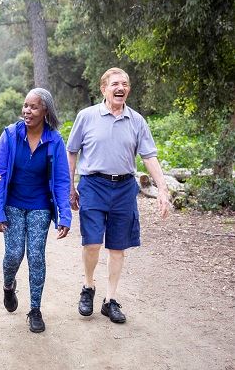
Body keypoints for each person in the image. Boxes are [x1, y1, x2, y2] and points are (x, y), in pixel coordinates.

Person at [67, 67, 170, 324]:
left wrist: (163, 189)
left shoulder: (137, 121)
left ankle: (110, 300)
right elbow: (71, 152)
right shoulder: (87, 116)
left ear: (128, 90)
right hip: (93, 185)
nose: (120, 88)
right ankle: (88, 287)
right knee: (91, 242)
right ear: (103, 89)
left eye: (124, 84)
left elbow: (149, 156)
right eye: (115, 84)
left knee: (118, 248)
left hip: (124, 188)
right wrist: (69, 186)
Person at [0, 88, 72, 333]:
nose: (27, 110)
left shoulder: (54, 139)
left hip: (40, 207)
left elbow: (61, 180)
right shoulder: (10, 135)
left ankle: (35, 309)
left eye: (34, 107)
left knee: (36, 256)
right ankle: (8, 285)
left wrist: (64, 215)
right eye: (26, 105)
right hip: (12, 204)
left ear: (45, 110)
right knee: (14, 254)